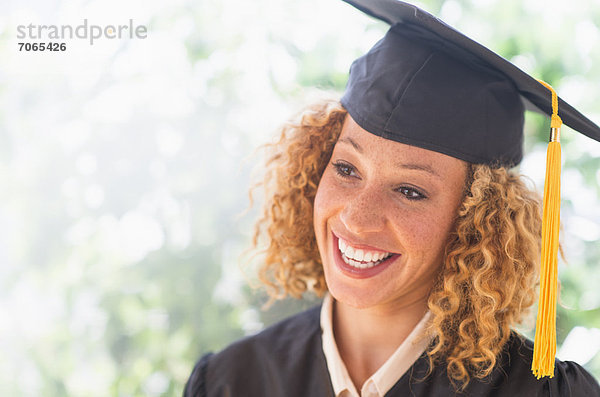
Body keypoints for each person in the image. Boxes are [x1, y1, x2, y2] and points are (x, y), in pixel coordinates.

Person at [184, 0, 600, 395]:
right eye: (346, 169)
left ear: (476, 223)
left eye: (410, 191)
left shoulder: (535, 393)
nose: (358, 218)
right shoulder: (229, 382)